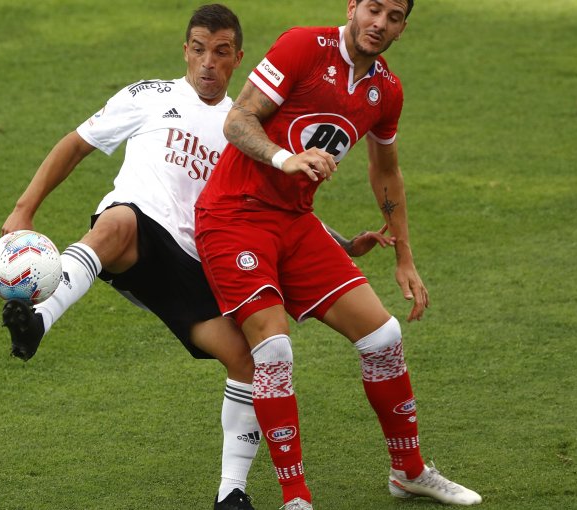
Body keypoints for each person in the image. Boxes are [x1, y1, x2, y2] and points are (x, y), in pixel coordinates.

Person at [0, 5, 390, 509]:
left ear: (238, 60)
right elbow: (76, 145)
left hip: (196, 265)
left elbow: (270, 210)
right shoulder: (149, 97)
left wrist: (339, 242)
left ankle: (232, 493)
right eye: (199, 49)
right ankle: (37, 320)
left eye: (221, 53)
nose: (208, 62)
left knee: (249, 360)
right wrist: (23, 209)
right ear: (185, 50)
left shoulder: (244, 129)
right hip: (138, 238)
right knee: (117, 222)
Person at [193, 1, 482, 508]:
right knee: (275, 350)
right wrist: (288, 158)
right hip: (233, 217)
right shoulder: (304, 45)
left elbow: (386, 170)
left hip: (295, 223)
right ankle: (296, 498)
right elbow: (237, 120)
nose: (380, 24)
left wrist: (405, 257)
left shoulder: (385, 89)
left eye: (393, 16)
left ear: (403, 27)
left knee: (383, 335)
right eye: (373, 9)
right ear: (352, 6)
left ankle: (408, 471)